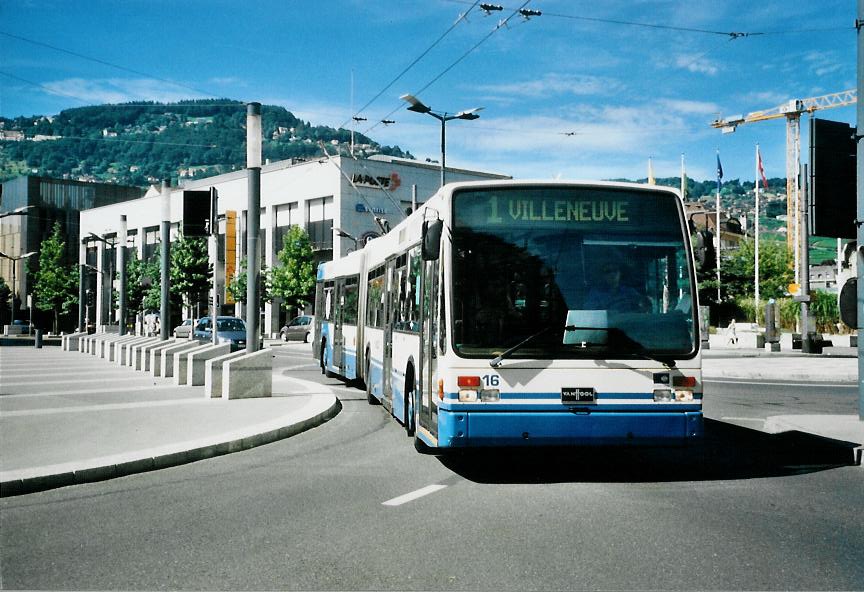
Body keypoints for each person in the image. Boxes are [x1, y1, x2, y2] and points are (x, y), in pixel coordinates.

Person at [584, 261, 648, 312]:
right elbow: (590, 313)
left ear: (620, 273)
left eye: (615, 270)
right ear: (603, 276)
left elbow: (642, 308)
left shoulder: (630, 292)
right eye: (608, 271)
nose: (612, 274)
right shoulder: (595, 293)